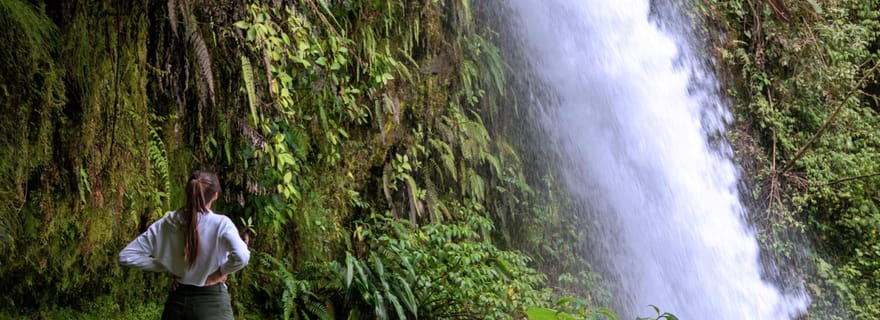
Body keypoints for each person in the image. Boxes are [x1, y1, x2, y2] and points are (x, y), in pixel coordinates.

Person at [119, 170, 250, 320]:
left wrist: (166, 266)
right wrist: (219, 273)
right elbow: (241, 256)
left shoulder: (167, 223)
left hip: (177, 303)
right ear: (215, 196)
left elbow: (126, 256)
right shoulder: (220, 224)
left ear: (187, 192)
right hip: (212, 302)